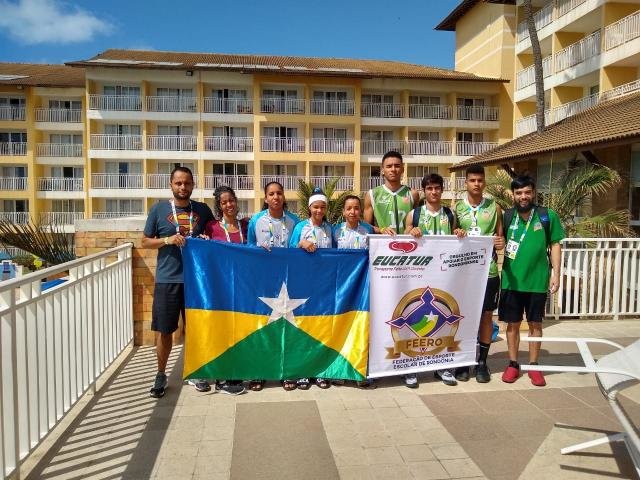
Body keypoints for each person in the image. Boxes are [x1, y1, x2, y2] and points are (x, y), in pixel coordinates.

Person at [143, 166, 214, 398]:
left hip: (197, 281)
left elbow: (215, 236)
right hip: (167, 279)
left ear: (193, 185)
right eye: (178, 183)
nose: (183, 187)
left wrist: (206, 238)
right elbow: (144, 242)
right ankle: (161, 374)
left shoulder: (203, 210)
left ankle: (195, 371)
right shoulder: (158, 209)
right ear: (171, 185)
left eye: (187, 183)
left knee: (196, 329)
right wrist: (167, 239)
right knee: (164, 330)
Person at [499, 175, 563, 387]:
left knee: (535, 323)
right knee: (513, 324)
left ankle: (534, 365)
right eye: (519, 193)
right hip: (512, 281)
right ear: (513, 195)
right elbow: (498, 242)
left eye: (527, 192)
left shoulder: (547, 216)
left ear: (534, 192)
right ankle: (513, 364)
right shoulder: (506, 216)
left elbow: (555, 244)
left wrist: (556, 273)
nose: (523, 196)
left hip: (537, 281)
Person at [364, 150, 421, 389]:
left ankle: (406, 365)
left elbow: (421, 222)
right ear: (382, 170)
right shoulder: (372, 195)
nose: (393, 169)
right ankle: (374, 364)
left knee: (407, 311)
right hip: (382, 263)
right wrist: (379, 230)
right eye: (389, 166)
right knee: (379, 312)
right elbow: (365, 226)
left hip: (409, 261)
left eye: (397, 165)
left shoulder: (413, 194)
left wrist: (416, 231)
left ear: (403, 168)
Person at [452, 165, 505, 383]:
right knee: (464, 316)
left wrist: (501, 243)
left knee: (485, 316)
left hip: (488, 271)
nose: (476, 184)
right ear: (465, 183)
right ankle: (465, 361)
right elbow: (449, 237)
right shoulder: (456, 207)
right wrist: (456, 232)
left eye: (480, 180)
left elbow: (500, 239)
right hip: (464, 272)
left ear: (484, 183)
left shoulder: (495, 207)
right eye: (472, 180)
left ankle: (482, 362)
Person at [405, 173, 458, 386]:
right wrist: (411, 230)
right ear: (424, 191)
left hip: (444, 275)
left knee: (442, 317)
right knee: (415, 319)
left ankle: (442, 367)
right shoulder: (414, 213)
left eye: (437, 188)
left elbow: (456, 235)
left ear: (442, 190)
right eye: (430, 188)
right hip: (419, 273)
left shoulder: (450, 213)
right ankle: (411, 368)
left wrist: (460, 233)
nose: (434, 192)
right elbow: (405, 236)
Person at [247, 181, 300, 391]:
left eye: (279, 193)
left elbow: (297, 248)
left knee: (286, 328)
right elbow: (249, 248)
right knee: (262, 326)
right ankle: (260, 371)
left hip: (288, 282)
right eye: (271, 194)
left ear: (284, 197)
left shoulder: (295, 222)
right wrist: (256, 248)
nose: (276, 197)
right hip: (263, 281)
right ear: (266, 198)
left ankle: (286, 371)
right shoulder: (256, 221)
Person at [203, 185, 249, 395]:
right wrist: (203, 243)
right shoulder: (211, 228)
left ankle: (237, 370)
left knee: (239, 329)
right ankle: (222, 376)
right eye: (224, 202)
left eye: (231, 200)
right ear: (219, 206)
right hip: (220, 286)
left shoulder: (246, 225)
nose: (229, 204)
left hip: (243, 286)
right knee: (222, 329)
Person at [289, 188, 333, 389]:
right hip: (302, 284)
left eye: (323, 207)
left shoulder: (329, 228)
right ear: (310, 208)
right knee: (303, 328)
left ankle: (320, 370)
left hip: (323, 285)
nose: (319, 210)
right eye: (316, 206)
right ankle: (303, 371)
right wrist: (301, 242)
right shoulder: (300, 227)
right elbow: (288, 252)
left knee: (321, 329)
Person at [333, 195, 375, 388]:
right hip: (341, 288)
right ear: (343, 212)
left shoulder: (367, 230)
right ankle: (339, 369)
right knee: (340, 326)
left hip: (362, 288)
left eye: (356, 208)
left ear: (361, 211)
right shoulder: (335, 231)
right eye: (349, 208)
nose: (353, 212)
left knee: (359, 327)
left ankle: (359, 370)